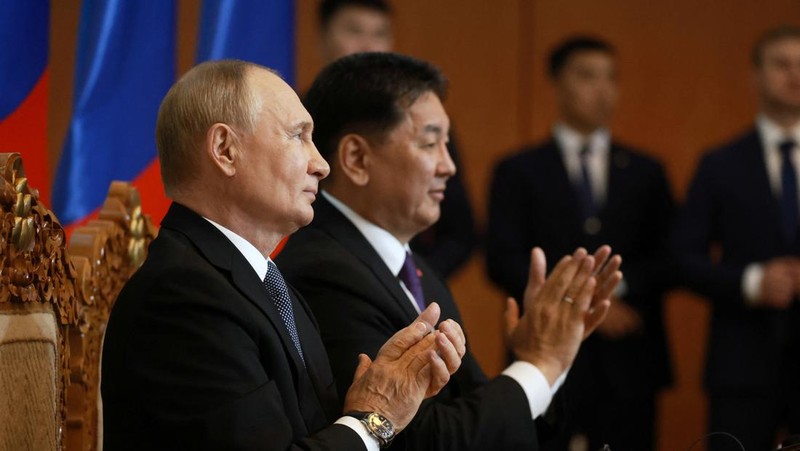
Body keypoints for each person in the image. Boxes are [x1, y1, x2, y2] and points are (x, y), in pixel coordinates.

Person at [100, 59, 469, 451]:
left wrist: (389, 395)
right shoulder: (182, 296)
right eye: (298, 136)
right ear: (225, 150)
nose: (322, 165)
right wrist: (375, 418)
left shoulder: (265, 281)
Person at [277, 51, 621, 450]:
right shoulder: (323, 272)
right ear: (356, 158)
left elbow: (478, 413)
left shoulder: (414, 265)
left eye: (448, 144)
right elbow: (419, 438)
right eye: (430, 143)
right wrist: (540, 365)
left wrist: (536, 360)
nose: (449, 166)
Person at [486, 37, 674, 451]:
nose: (603, 89)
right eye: (587, 76)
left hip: (630, 359)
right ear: (557, 83)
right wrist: (577, 301)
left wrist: (611, 292)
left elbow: (670, 257)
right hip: (545, 355)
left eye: (612, 77)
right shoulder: (518, 170)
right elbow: (501, 258)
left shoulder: (647, 170)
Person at [672, 25, 800, 451]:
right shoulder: (720, 164)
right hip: (743, 363)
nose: (794, 75)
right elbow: (683, 257)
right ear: (756, 76)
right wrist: (751, 282)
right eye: (782, 64)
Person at [315, 0, 477, 278]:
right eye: (354, 31)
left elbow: (460, 231)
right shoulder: (297, 115)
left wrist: (408, 277)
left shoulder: (427, 122)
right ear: (322, 37)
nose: (368, 45)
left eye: (379, 34)